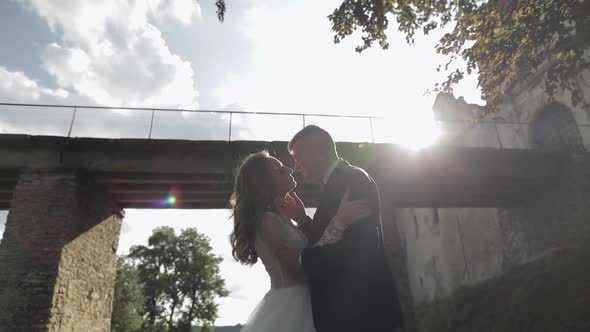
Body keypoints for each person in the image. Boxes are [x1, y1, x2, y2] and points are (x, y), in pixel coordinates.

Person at [276, 125, 405, 332]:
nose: (296, 167)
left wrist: (304, 259)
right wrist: (302, 220)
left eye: (299, 157)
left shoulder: (352, 179)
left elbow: (361, 249)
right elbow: (337, 238)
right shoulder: (339, 181)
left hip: (361, 315)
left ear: (318, 153)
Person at [229, 151, 371, 332]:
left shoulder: (279, 218)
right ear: (264, 183)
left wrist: (302, 219)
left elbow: (309, 251)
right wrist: (339, 222)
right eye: (280, 170)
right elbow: (298, 267)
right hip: (295, 308)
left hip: (308, 302)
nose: (289, 168)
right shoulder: (267, 221)